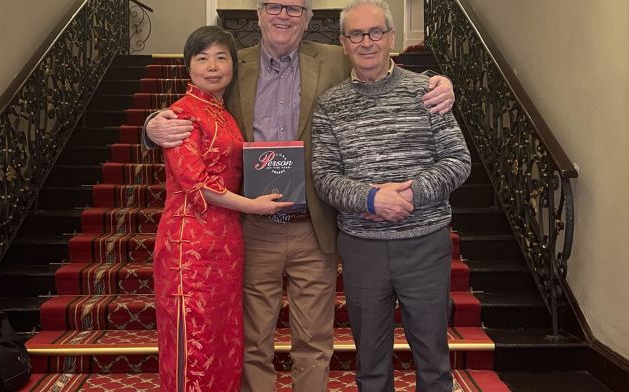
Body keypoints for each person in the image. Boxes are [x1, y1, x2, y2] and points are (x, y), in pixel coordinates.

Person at [143, 1, 456, 390]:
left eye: (295, 7)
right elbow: (196, 107)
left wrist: (438, 81)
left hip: (313, 226)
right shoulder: (232, 64)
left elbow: (377, 64)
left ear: (308, 18)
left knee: (314, 341)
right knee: (253, 340)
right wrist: (150, 125)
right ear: (259, 14)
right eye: (275, 5)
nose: (284, 15)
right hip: (254, 227)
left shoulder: (333, 57)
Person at [310, 1, 471, 391]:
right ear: (344, 43)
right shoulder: (330, 104)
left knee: (432, 358)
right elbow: (324, 176)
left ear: (392, 38)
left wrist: (411, 195)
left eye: (376, 32)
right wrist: (370, 199)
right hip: (362, 248)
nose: (367, 42)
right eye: (356, 34)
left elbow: (458, 159)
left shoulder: (428, 93)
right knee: (370, 360)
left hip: (424, 244)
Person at [152, 25, 293, 392]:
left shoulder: (223, 112)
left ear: (233, 64)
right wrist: (254, 206)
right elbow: (196, 182)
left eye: (221, 57)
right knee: (192, 338)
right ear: (188, 65)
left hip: (226, 239)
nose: (212, 67)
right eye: (202, 58)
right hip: (189, 243)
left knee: (222, 336)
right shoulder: (181, 115)